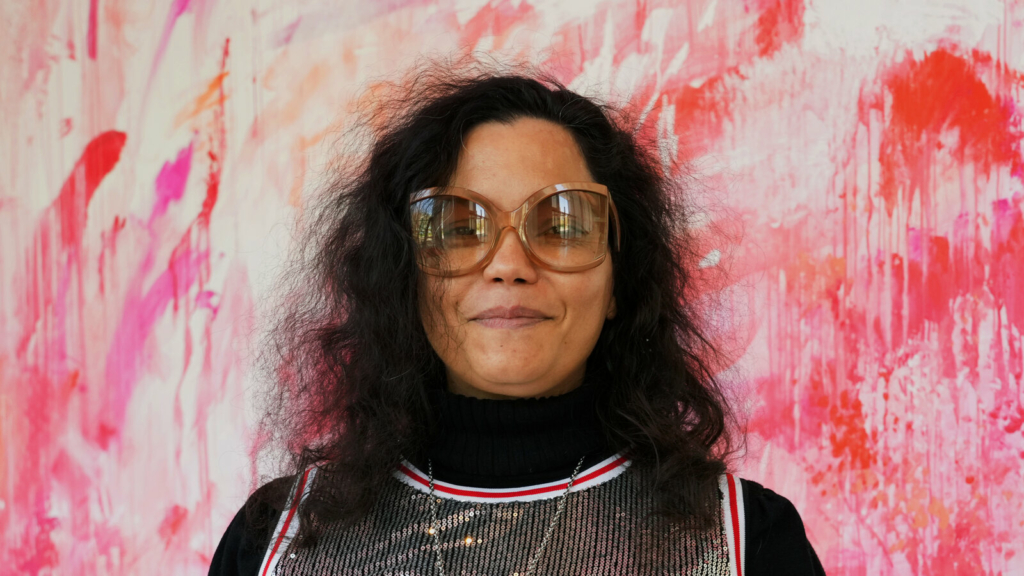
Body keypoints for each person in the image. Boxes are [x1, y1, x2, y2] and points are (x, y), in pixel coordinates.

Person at [208, 63, 826, 576]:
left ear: (619, 281)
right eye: (457, 228)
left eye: (561, 225)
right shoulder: (279, 540)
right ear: (402, 278)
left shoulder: (746, 540)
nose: (509, 265)